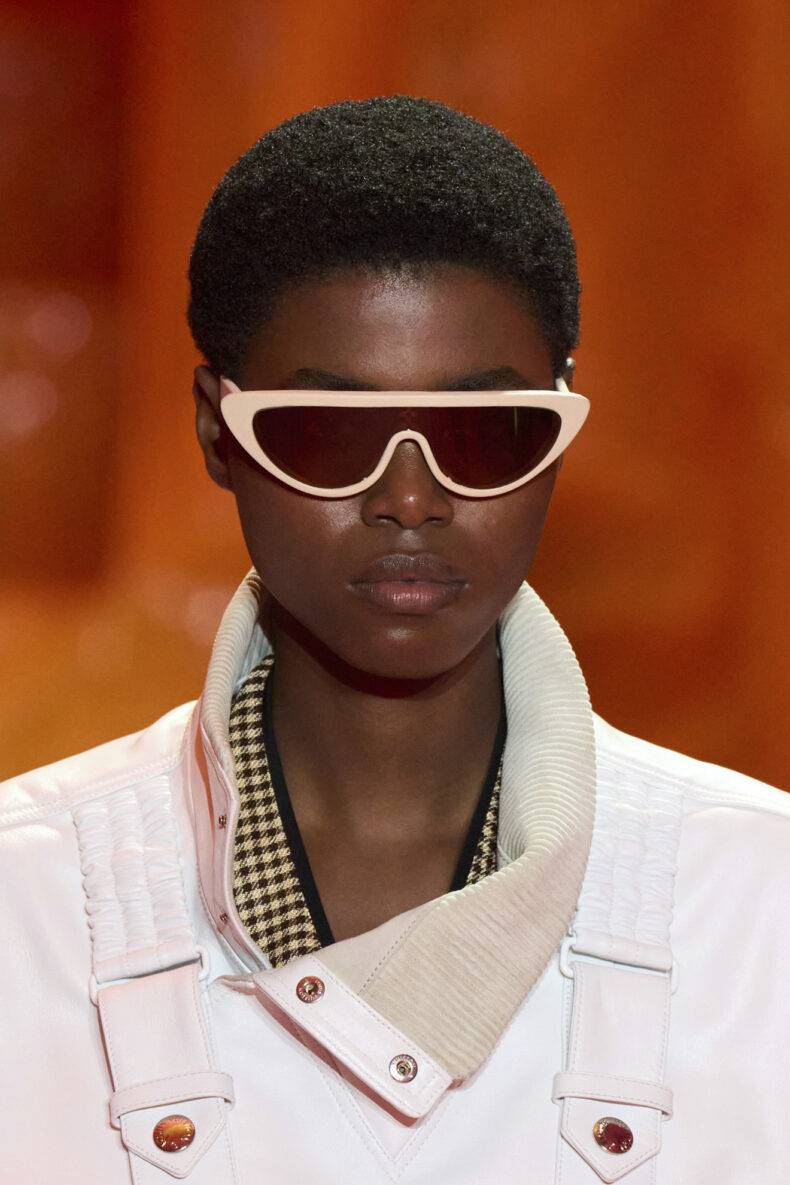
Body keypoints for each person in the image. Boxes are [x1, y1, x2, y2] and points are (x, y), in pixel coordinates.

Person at [1, 96, 788, 1185]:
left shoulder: (757, 905)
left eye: (487, 433)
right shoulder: (27, 905)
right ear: (217, 432)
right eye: (327, 433)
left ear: (560, 432)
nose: (410, 498)